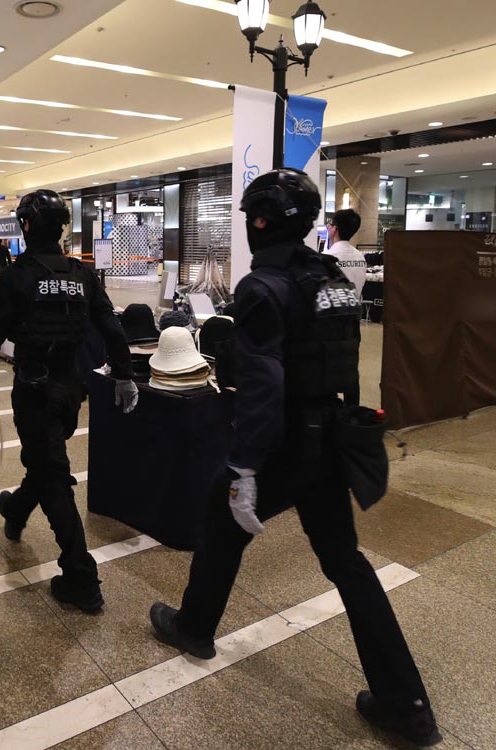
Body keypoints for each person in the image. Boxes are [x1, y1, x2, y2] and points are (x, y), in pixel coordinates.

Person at [148, 169, 440, 746]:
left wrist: (245, 465)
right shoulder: (332, 278)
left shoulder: (264, 287)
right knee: (345, 562)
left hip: (283, 443)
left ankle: (194, 627)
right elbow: (343, 361)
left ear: (259, 222)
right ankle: (405, 704)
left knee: (221, 523)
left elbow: (264, 383)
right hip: (330, 437)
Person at [0, 190, 139, 613]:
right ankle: (16, 508)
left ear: (25, 226)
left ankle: (80, 576)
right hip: (72, 388)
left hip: (34, 389)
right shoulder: (81, 274)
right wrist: (124, 375)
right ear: (61, 227)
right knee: (47, 462)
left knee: (52, 474)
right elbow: (112, 326)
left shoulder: (16, 275)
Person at [326, 208, 367, 295]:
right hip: (356, 302)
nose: (328, 227)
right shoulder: (360, 257)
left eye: (330, 224)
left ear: (335, 228)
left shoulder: (327, 257)